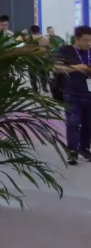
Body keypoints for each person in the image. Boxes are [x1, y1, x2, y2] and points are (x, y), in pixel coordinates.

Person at [54, 25, 91, 165]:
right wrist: (75, 68)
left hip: (89, 94)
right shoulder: (66, 50)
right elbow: (56, 68)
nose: (88, 43)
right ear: (77, 38)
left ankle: (84, 148)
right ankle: (72, 151)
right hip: (72, 93)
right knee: (74, 122)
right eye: (86, 40)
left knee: (88, 124)